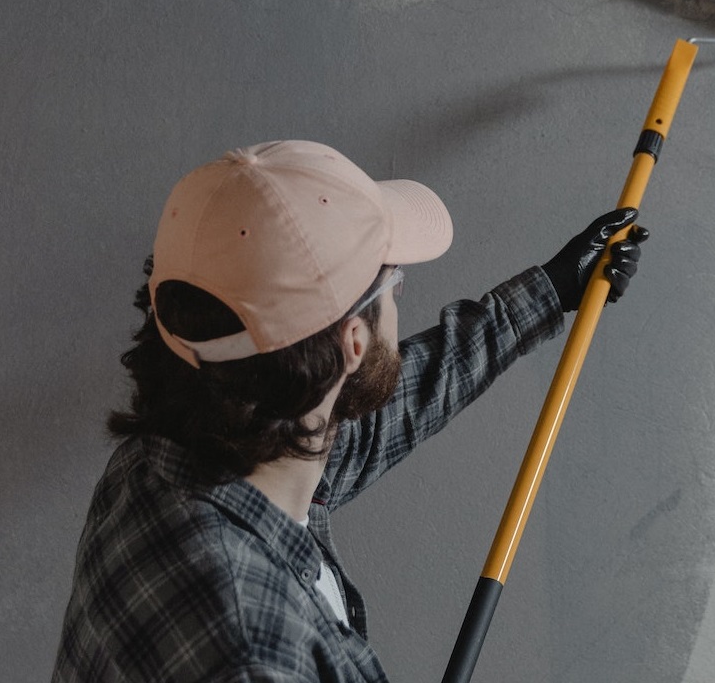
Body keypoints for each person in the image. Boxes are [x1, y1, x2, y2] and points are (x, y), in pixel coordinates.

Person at [53, 139, 648, 682]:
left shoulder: (163, 466)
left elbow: (365, 424)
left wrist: (549, 290)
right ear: (353, 342)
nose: (400, 293)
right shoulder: (256, 652)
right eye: (393, 282)